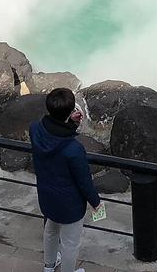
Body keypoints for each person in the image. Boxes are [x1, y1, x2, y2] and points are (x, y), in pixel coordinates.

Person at [30, 88, 100, 272]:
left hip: (46, 196)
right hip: (70, 204)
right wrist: (96, 202)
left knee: (51, 231)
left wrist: (68, 121)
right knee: (70, 243)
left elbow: (51, 129)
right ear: (71, 113)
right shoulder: (73, 149)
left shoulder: (35, 130)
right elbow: (84, 181)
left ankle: (49, 267)